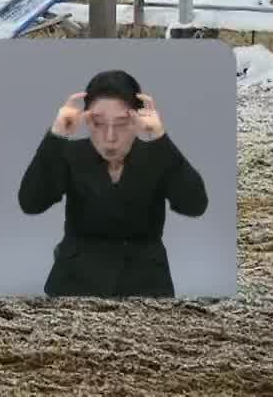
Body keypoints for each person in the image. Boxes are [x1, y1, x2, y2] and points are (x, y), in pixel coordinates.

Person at [17, 68, 209, 297]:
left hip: (145, 284)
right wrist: (57, 135)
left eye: (121, 124)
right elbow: (31, 203)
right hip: (75, 282)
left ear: (138, 119)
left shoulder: (157, 155)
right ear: (86, 118)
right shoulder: (71, 155)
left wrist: (160, 137)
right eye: (98, 123)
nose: (110, 137)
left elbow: (195, 205)